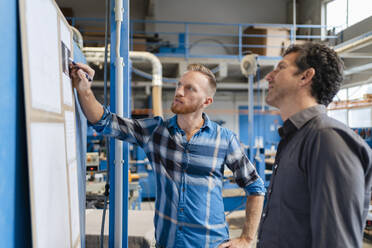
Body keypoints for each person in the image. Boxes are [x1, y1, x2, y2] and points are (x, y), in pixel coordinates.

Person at [70, 63, 266, 248]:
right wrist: (84, 89)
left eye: (190, 89)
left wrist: (247, 238)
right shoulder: (155, 132)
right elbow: (104, 121)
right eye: (179, 85)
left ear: (207, 101)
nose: (179, 92)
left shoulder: (224, 139)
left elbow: (255, 186)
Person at [257, 42, 372, 247]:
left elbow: (336, 242)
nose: (269, 76)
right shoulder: (295, 138)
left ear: (305, 76)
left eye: (281, 67)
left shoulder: (326, 140)